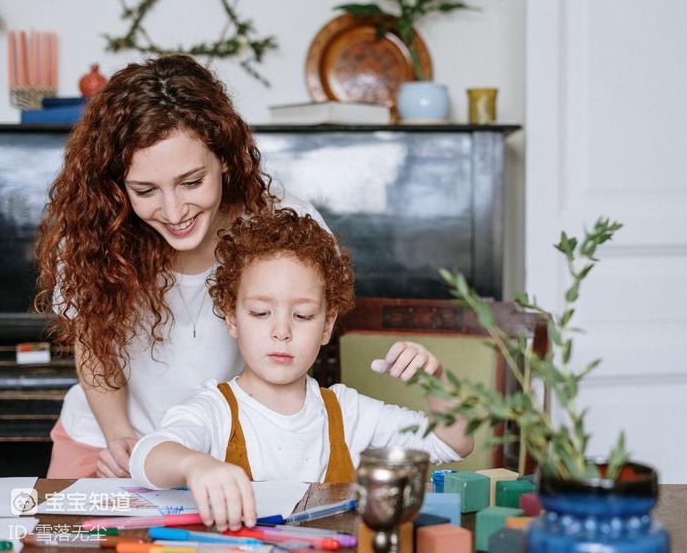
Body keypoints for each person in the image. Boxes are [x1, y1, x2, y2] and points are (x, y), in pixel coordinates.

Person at [35, 55, 326, 478]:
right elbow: (94, 346)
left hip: (228, 445)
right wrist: (119, 438)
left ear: (224, 157)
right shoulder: (90, 234)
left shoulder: (285, 228)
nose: (174, 211)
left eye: (191, 182)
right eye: (145, 190)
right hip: (102, 441)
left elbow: (298, 346)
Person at [128, 208, 474, 531]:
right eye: (261, 313)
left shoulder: (348, 413)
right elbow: (147, 456)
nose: (282, 331)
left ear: (326, 326)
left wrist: (438, 383)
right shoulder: (215, 411)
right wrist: (195, 465)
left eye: (303, 315)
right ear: (232, 319)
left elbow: (455, 442)